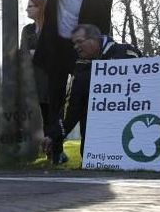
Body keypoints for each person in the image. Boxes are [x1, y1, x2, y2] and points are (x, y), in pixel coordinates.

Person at [16, 0, 113, 164]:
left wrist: (101, 56)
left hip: (80, 52)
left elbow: (103, 30)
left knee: (84, 101)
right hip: (55, 49)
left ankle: (89, 153)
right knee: (54, 102)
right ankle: (56, 151)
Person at [42, 23, 141, 161]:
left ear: (95, 39)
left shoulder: (126, 52)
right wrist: (53, 135)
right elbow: (72, 109)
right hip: (94, 150)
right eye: (74, 44)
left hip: (129, 136)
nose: (76, 47)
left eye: (79, 42)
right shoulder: (80, 68)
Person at [20, 0, 49, 125]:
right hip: (31, 80)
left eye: (30, 6)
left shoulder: (52, 28)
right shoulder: (27, 30)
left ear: (40, 7)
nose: (27, 9)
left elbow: (55, 53)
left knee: (49, 118)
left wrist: (35, 53)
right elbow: (23, 53)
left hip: (48, 81)